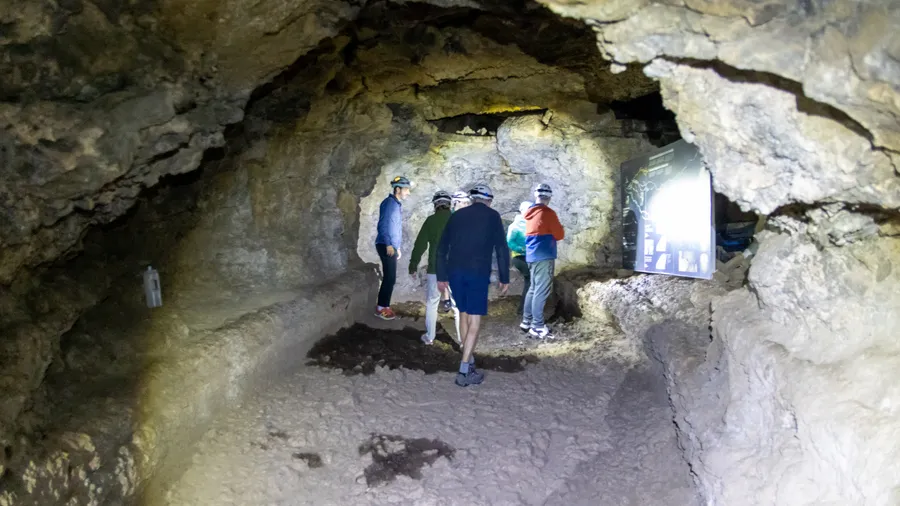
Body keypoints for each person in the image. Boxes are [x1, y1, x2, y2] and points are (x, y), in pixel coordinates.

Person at [437, 183, 510, 387]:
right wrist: (504, 278)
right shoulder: (493, 216)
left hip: (455, 273)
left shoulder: (457, 215)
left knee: (463, 313)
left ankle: (467, 358)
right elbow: (502, 249)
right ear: (488, 199)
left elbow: (442, 248)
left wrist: (442, 276)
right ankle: (463, 371)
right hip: (477, 274)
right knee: (475, 323)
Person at [408, 190, 460, 345]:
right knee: (458, 307)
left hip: (436, 269)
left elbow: (420, 245)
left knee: (432, 303)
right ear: (449, 204)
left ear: (436, 205)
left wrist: (413, 264)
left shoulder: (431, 221)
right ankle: (463, 340)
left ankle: (430, 337)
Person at [521, 183, 564, 339]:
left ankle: (526, 321)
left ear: (536, 196)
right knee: (541, 290)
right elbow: (559, 235)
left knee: (533, 289)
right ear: (549, 197)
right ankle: (537, 326)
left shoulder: (530, 213)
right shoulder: (548, 213)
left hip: (532, 256)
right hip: (544, 256)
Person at [374, 176, 411, 320]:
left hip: (390, 245)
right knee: (390, 277)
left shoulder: (395, 204)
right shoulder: (390, 203)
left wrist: (397, 247)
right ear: (398, 189)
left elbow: (394, 227)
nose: (408, 192)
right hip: (385, 244)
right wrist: (389, 244)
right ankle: (381, 308)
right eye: (406, 189)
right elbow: (383, 225)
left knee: (390, 277)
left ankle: (384, 306)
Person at [507, 201, 533, 317]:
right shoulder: (515, 226)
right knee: (531, 282)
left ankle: (524, 310)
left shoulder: (532, 223)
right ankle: (524, 310)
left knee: (531, 282)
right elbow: (510, 242)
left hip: (529, 257)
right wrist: (523, 249)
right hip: (520, 257)